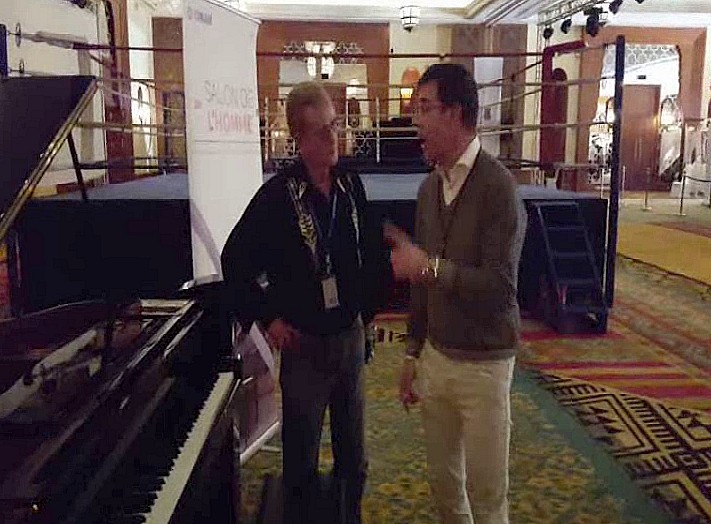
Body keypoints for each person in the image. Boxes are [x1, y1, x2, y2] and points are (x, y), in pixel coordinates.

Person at [221, 81, 390, 524]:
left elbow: (372, 252)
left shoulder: (350, 185)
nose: (334, 136)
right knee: (301, 463)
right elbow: (234, 261)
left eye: (336, 125)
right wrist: (268, 318)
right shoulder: (278, 196)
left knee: (354, 459)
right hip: (305, 349)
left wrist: (366, 312)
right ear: (299, 139)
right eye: (321, 130)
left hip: (350, 340)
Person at [385, 63, 527, 524]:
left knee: (487, 496)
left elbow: (499, 289)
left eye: (424, 108)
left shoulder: (499, 188)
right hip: (437, 358)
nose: (416, 121)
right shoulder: (429, 188)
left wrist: (427, 267)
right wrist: (413, 353)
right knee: (445, 488)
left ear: (456, 113)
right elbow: (423, 285)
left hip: (485, 366)